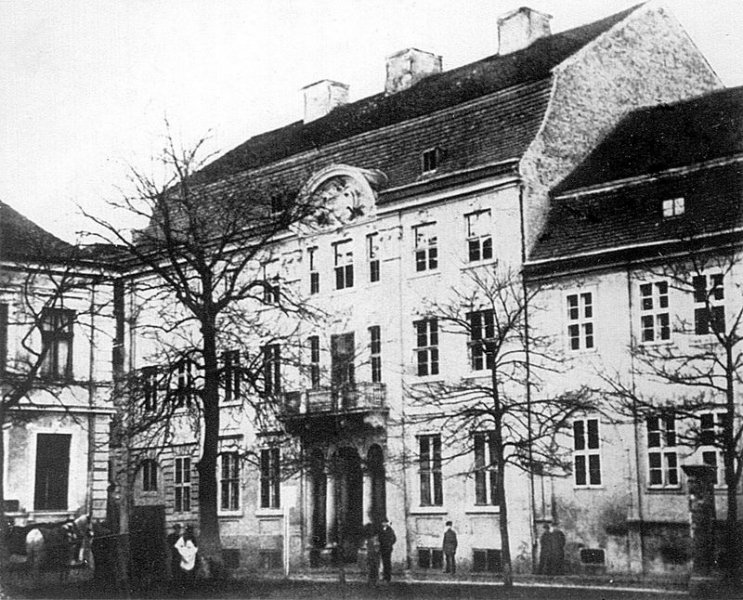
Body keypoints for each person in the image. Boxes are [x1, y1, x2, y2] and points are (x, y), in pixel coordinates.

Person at [174, 524, 199, 591]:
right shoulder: (184, 537)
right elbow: (178, 547)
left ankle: (189, 585)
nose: (190, 531)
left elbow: (195, 547)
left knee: (190, 571)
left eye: (190, 530)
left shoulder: (192, 537)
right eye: (189, 530)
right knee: (185, 572)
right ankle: (185, 586)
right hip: (184, 556)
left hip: (191, 556)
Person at [377, 518, 396, 582]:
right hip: (382, 548)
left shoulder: (390, 530)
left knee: (387, 563)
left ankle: (388, 577)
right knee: (383, 563)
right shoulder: (380, 530)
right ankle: (384, 576)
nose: (384, 523)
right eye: (383, 522)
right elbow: (379, 538)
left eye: (385, 522)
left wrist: (389, 544)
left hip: (388, 548)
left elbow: (393, 538)